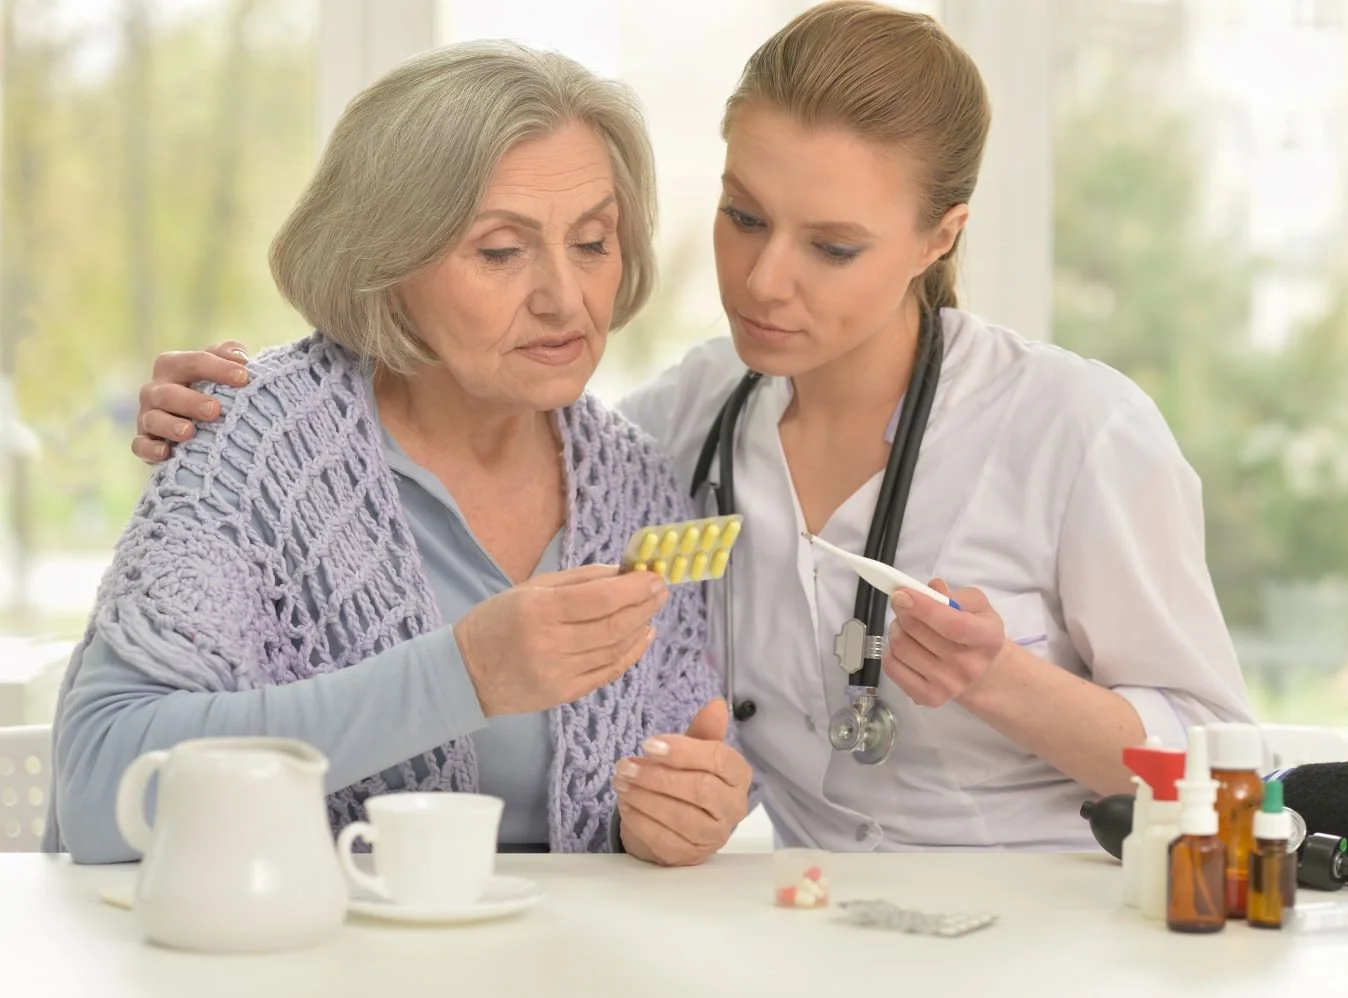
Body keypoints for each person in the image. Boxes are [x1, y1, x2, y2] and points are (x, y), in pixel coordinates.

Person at [127, 1, 1255, 853]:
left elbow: (1230, 770)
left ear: (938, 237)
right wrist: (231, 405)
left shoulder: (1081, 431)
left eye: (834, 246)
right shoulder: (678, 428)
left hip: (1045, 930)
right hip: (794, 930)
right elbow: (466, 391)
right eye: (743, 216)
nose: (762, 281)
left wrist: (1004, 678)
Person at [46, 39, 754, 866]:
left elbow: (668, 768)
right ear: (387, 260)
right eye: (501, 250)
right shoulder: (251, 447)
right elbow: (100, 791)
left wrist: (684, 811)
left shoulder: (634, 482)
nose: (566, 297)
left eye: (593, 242)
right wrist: (460, 677)